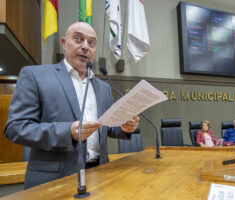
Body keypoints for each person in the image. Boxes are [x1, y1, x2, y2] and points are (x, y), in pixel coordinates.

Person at [4, 22, 139, 189]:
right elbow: (15, 128)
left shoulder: (103, 88)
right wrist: (67, 132)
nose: (85, 46)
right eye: (78, 39)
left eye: (91, 43)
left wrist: (124, 127)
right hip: (54, 180)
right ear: (64, 43)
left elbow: (108, 127)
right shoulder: (35, 76)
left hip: (100, 174)